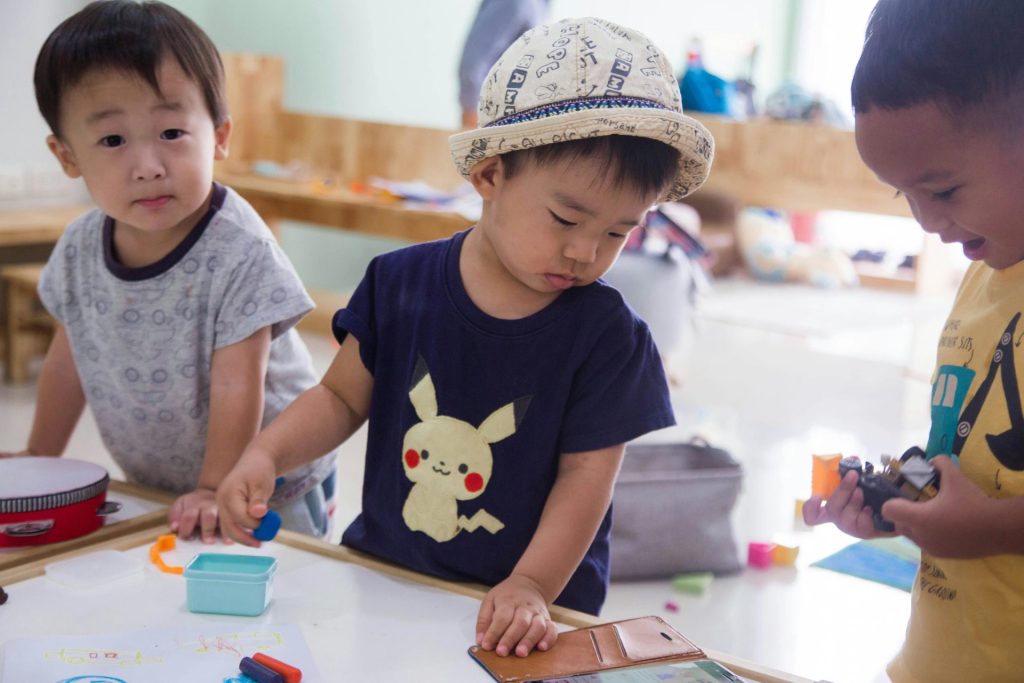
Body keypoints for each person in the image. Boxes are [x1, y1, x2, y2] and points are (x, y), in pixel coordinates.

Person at [217, 16, 714, 659]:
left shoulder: (611, 338)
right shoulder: (398, 283)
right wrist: (265, 454)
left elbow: (587, 478)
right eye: (565, 218)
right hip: (388, 575)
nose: (586, 251)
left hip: (528, 617)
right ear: (489, 175)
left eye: (619, 232)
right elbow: (339, 399)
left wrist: (531, 585)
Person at [3, 0, 336, 543]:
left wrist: (214, 486)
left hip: (266, 487)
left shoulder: (241, 250)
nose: (149, 167)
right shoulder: (80, 247)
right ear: (68, 157)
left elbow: (238, 380)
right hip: (162, 483)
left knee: (285, 585)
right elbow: (68, 359)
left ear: (220, 135)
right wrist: (41, 456)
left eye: (172, 133)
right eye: (113, 141)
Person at [802, 1, 1024, 679]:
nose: (927, 222)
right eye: (906, 197)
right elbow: (959, 456)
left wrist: (987, 529)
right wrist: (897, 497)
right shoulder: (981, 280)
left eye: (944, 190)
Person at [457, 0, 550, 128]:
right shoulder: (515, 2)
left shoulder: (539, 6)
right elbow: (473, 65)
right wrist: (473, 124)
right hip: (494, 123)